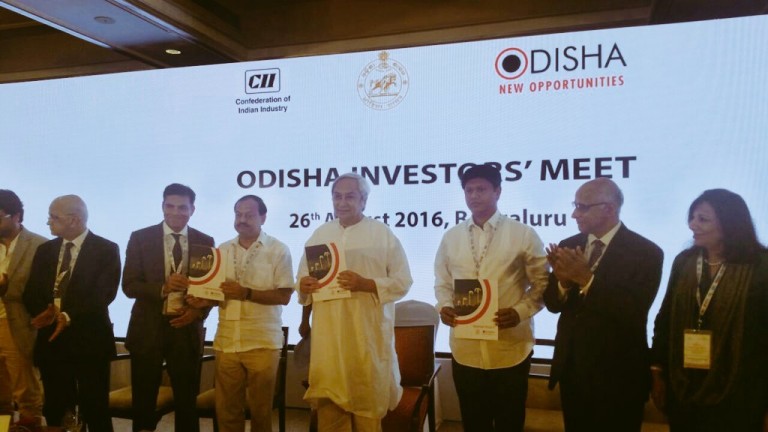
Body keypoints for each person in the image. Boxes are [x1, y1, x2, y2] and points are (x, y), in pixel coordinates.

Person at [434, 164, 549, 432]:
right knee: (474, 422)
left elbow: (542, 284)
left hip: (509, 348)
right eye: (469, 190)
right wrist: (444, 306)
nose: (474, 196)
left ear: (497, 191)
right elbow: (442, 282)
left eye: (482, 189)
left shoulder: (522, 234)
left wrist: (520, 312)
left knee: (510, 422)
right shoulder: (451, 237)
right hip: (466, 350)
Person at [543, 178, 663, 431]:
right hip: (573, 371)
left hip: (619, 375)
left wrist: (587, 279)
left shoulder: (646, 252)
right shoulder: (569, 245)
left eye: (582, 207)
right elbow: (553, 305)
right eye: (575, 206)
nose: (575, 214)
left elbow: (633, 311)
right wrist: (563, 283)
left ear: (609, 208)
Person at [297, 172, 412, 431]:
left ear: (364, 200)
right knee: (330, 412)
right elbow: (302, 279)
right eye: (337, 197)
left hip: (365, 336)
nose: (342, 203)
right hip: (328, 338)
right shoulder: (320, 234)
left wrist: (366, 284)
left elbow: (403, 281)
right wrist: (303, 286)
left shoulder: (381, 234)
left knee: (366, 408)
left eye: (350, 197)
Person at [650, 189, 768, 431]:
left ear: (729, 223)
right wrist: (657, 369)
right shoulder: (684, 261)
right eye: (692, 217)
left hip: (740, 389)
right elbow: (665, 317)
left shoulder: (760, 266)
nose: (692, 225)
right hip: (684, 383)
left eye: (702, 219)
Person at [188, 195, 294, 432]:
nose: (242, 219)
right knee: (227, 411)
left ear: (263, 217)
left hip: (262, 342)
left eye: (249, 215)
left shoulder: (278, 250)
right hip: (227, 341)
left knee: (260, 412)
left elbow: (284, 296)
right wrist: (202, 300)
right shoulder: (222, 250)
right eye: (238, 214)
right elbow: (216, 294)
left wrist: (246, 292)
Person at [23, 195, 121, 431]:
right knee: (55, 407)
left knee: (95, 407)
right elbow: (31, 291)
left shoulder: (106, 249)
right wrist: (44, 313)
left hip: (89, 340)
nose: (48, 222)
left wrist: (66, 316)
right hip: (52, 341)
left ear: (74, 220)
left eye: (54, 217)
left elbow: (103, 294)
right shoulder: (45, 250)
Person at [123, 183, 214, 432]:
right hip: (147, 330)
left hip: (186, 329)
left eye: (182, 207)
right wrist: (163, 288)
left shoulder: (205, 241)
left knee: (187, 401)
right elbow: (129, 285)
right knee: (143, 400)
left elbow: (209, 290)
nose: (175, 212)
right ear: (162, 206)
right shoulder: (140, 238)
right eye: (170, 206)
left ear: (192, 209)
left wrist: (198, 312)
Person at [0, 190, 45, 423]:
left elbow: (43, 290)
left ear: (16, 216)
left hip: (17, 323)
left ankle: (30, 426)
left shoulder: (40, 245)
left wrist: (6, 288)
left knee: (25, 391)